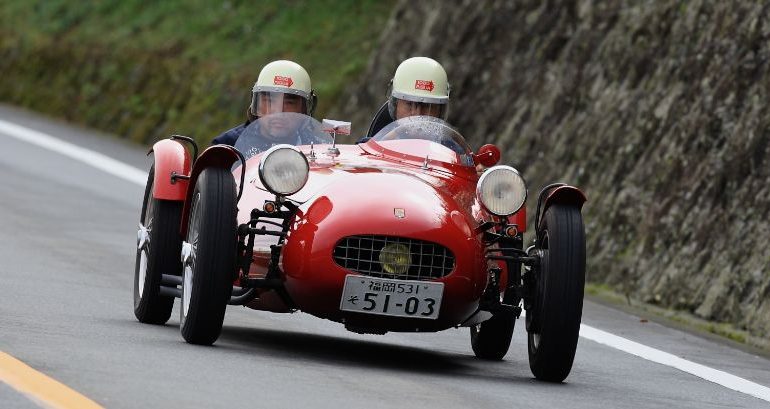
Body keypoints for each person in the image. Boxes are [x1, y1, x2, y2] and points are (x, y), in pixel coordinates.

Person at [212, 60, 317, 146]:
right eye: (270, 101)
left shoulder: (319, 148)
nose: (278, 112)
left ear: (304, 110)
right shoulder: (226, 147)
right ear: (256, 103)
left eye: (289, 103)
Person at [361, 56, 451, 141]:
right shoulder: (371, 149)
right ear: (395, 106)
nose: (417, 114)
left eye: (427, 106)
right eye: (409, 104)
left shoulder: (453, 154)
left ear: (440, 112)